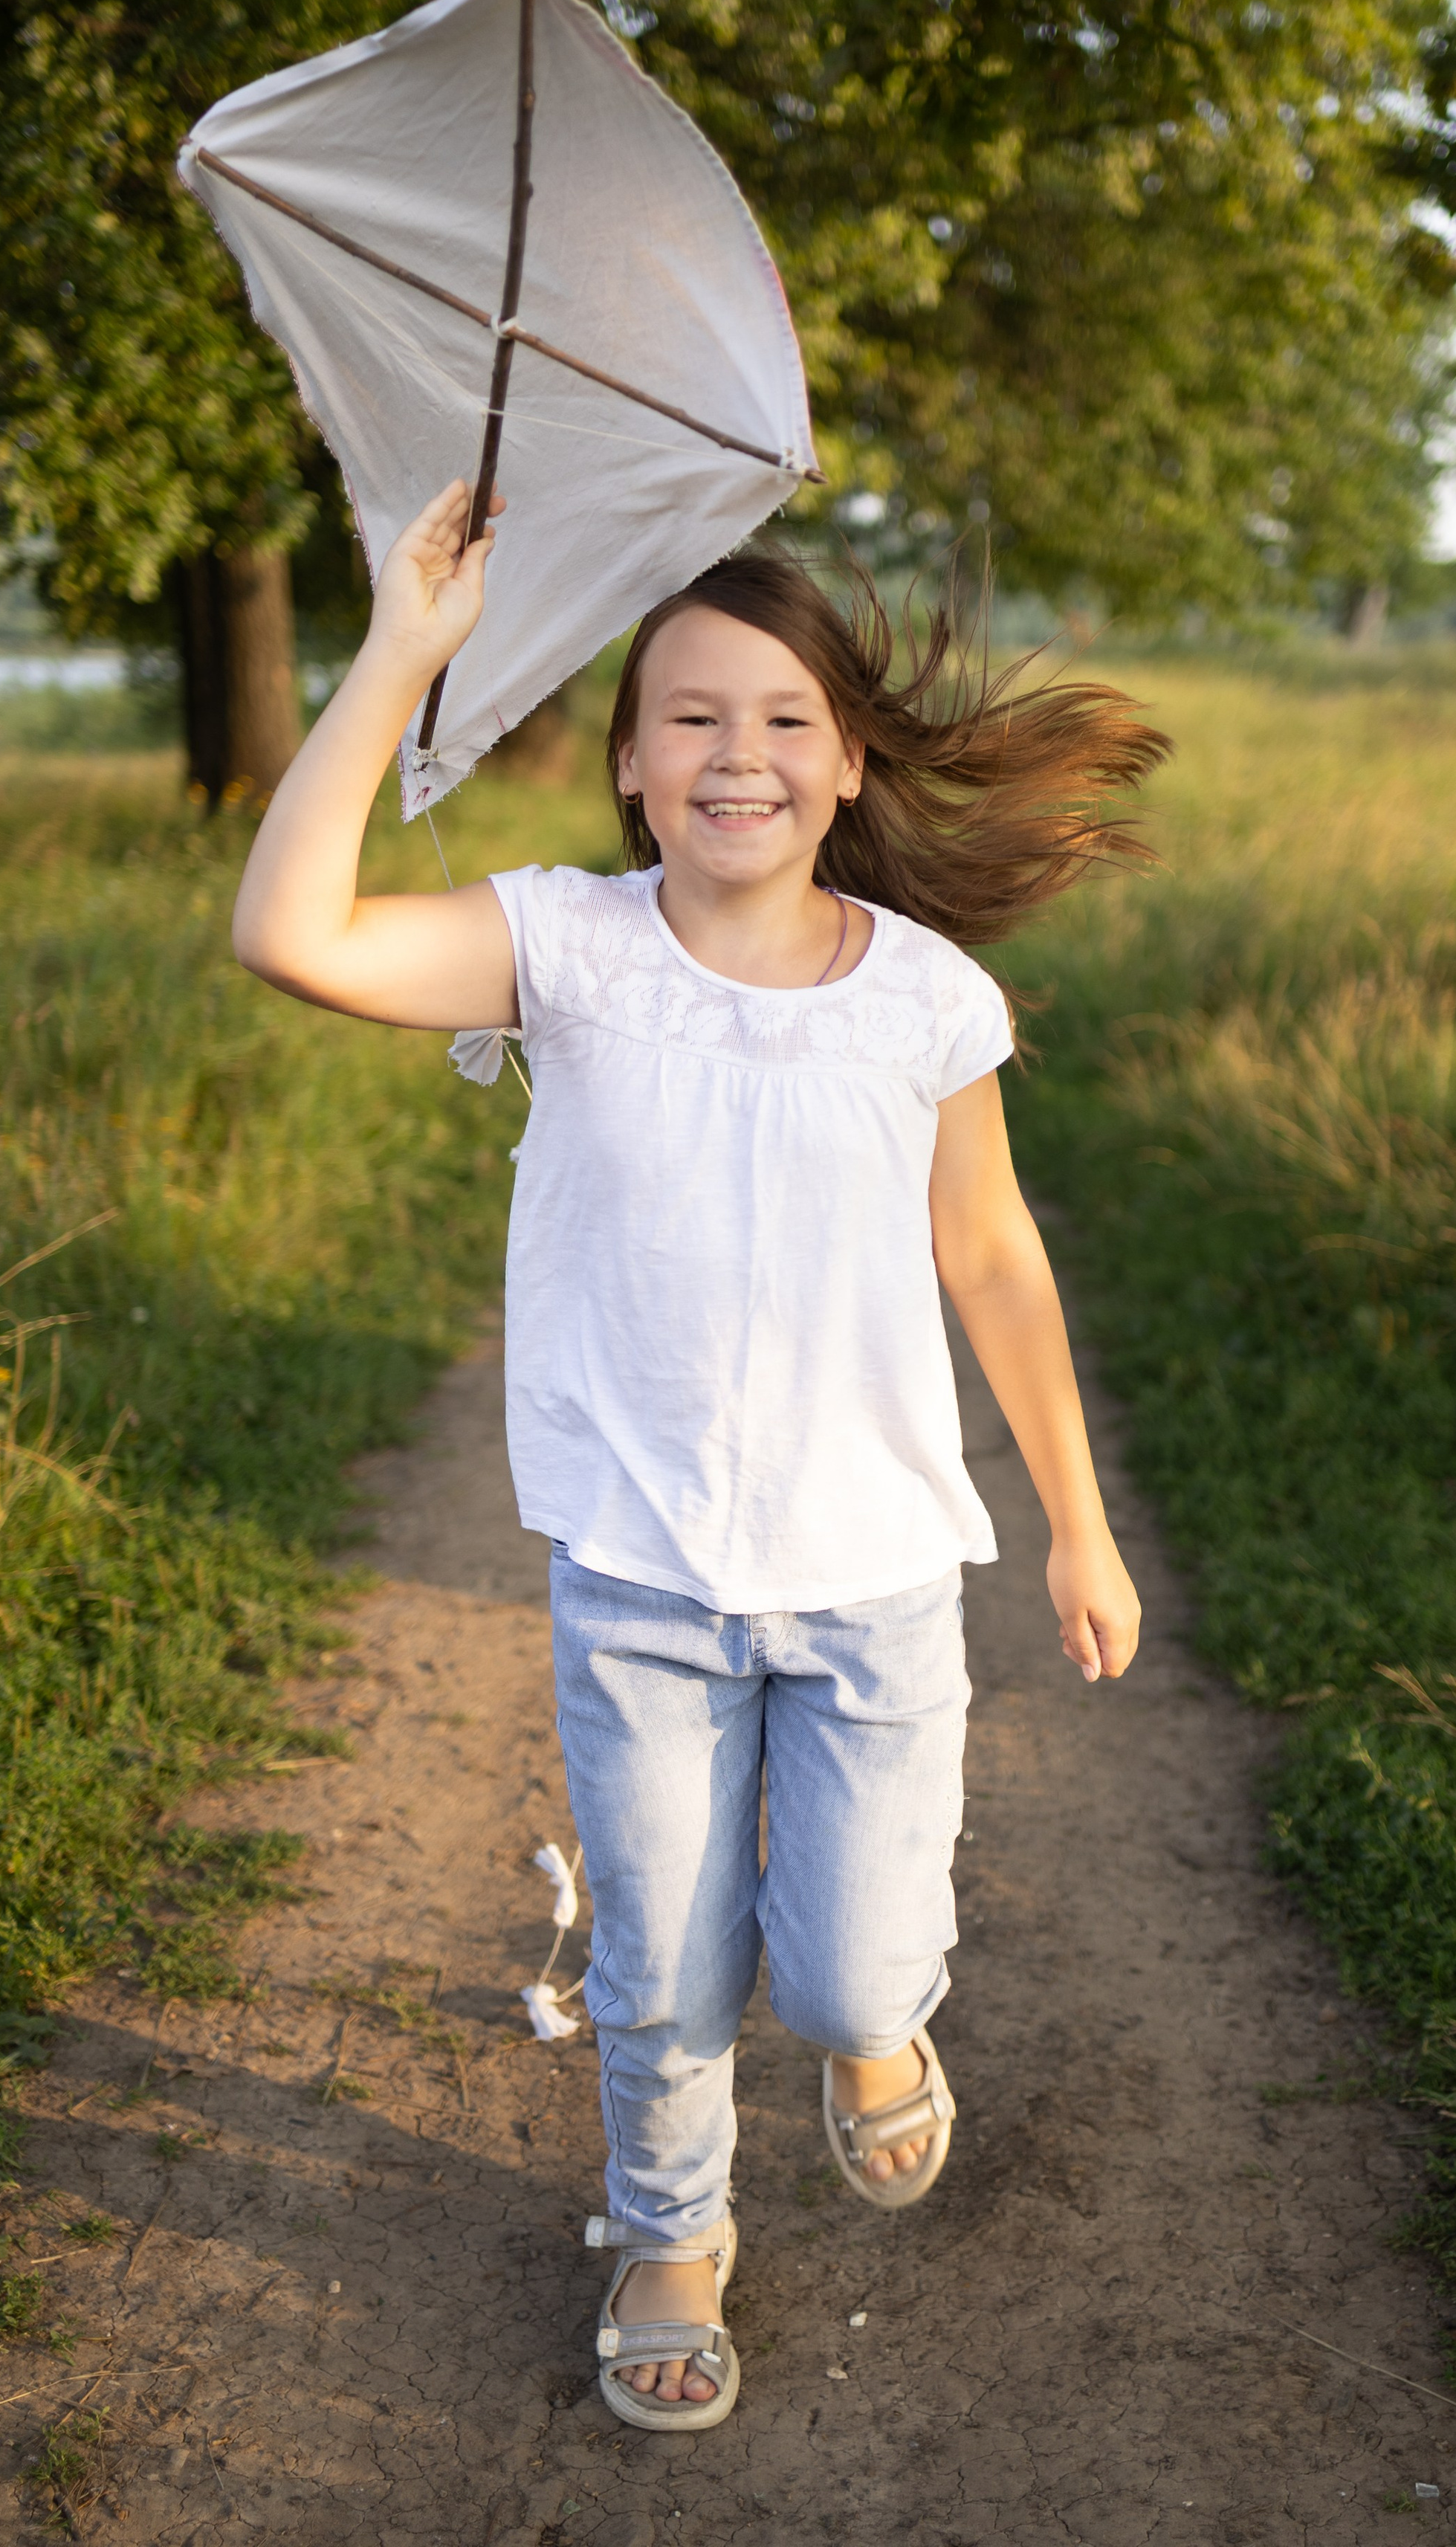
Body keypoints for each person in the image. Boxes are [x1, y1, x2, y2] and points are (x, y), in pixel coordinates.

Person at [233, 480, 1168, 2432]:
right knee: (660, 1958)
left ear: (843, 770)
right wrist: (405, 644)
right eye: (689, 716)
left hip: (877, 1584)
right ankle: (669, 2227)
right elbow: (290, 933)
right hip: (642, 1580)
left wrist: (1077, 1522)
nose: (736, 750)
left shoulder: (920, 995)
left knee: (841, 1974)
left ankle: (873, 2037)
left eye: (781, 719)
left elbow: (990, 1257)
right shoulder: (561, 954)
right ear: (634, 774)